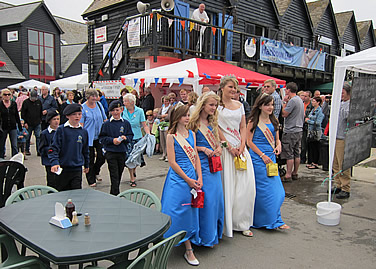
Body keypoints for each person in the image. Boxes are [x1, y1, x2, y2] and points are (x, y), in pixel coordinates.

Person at [161, 104, 202, 266]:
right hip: (179, 178)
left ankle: (188, 246)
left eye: (188, 115)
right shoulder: (171, 136)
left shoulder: (192, 133)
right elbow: (172, 162)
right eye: (184, 115)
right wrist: (188, 179)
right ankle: (169, 239)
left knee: (190, 210)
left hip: (192, 175)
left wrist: (199, 177)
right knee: (175, 208)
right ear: (177, 117)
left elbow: (196, 157)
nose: (187, 117)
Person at [217, 75, 256, 238]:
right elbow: (216, 127)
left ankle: (243, 222)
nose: (233, 90)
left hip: (240, 150)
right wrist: (228, 146)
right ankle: (228, 222)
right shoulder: (216, 106)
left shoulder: (240, 105)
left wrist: (242, 145)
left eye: (235, 87)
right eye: (230, 87)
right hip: (226, 151)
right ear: (222, 88)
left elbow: (242, 126)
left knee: (246, 186)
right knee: (228, 186)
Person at [247, 93, 290, 230]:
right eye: (267, 105)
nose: (271, 107)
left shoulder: (274, 120)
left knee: (278, 192)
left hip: (271, 158)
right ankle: (266, 220)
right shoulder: (253, 121)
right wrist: (262, 155)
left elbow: (277, 138)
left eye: (272, 104)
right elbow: (249, 142)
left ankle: (275, 219)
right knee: (262, 192)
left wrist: (278, 145)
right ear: (260, 106)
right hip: (258, 158)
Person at [187, 91, 224, 247]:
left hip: (214, 165)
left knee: (216, 200)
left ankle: (213, 234)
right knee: (206, 200)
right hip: (201, 165)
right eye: (211, 105)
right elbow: (188, 145)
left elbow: (220, 141)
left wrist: (219, 148)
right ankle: (203, 235)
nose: (214, 108)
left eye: (215, 105)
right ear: (202, 105)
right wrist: (202, 148)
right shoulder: (193, 124)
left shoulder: (213, 123)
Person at [49, 103, 90, 191]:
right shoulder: (61, 130)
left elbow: (85, 150)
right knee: (62, 193)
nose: (77, 117)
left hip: (77, 168)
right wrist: (54, 162)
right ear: (67, 116)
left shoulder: (83, 131)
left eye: (79, 114)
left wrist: (86, 164)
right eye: (74, 114)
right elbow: (54, 148)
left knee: (76, 193)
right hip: (63, 167)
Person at [99, 101, 134, 195]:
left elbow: (130, 135)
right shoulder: (106, 124)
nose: (115, 112)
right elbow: (102, 138)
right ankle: (115, 193)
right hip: (111, 152)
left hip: (122, 151)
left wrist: (125, 138)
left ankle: (114, 192)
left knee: (119, 173)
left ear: (121, 110)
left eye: (117, 110)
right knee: (114, 174)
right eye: (113, 110)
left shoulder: (125, 123)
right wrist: (112, 140)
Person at [122, 93, 150, 187]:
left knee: (136, 158)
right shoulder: (123, 111)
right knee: (130, 158)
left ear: (132, 102)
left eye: (125, 101)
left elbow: (144, 125)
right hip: (126, 138)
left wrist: (148, 135)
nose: (124, 103)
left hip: (137, 137)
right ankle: (132, 178)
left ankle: (133, 171)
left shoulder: (139, 111)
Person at [80, 89, 107, 187]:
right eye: (93, 96)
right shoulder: (83, 108)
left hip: (99, 135)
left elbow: (104, 118)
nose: (95, 98)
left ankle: (96, 170)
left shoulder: (99, 105)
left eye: (96, 96)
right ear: (88, 97)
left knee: (102, 156)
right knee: (89, 158)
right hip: (88, 136)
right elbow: (81, 124)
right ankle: (90, 179)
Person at [281, 82, 305, 181]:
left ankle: (288, 174)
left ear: (288, 90)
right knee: (296, 152)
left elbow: (284, 114)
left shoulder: (292, 101)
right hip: (299, 129)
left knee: (289, 153)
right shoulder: (299, 100)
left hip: (290, 130)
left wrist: (284, 103)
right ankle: (295, 173)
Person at [332, 82, 351, 199]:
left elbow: (348, 118)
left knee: (343, 164)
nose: (341, 95)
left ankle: (345, 187)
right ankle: (338, 184)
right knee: (335, 164)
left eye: (342, 93)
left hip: (343, 137)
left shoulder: (350, 105)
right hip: (335, 136)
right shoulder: (340, 103)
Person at [39, 110, 60, 189]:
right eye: (54, 119)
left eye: (58, 119)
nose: (56, 121)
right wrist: (51, 149)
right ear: (49, 121)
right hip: (49, 161)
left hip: (60, 160)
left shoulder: (61, 131)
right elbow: (41, 149)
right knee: (52, 181)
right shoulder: (45, 133)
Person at [0, 89, 22, 158]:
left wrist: (20, 125)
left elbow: (16, 115)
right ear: (2, 96)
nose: (7, 96)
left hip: (13, 126)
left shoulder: (13, 104)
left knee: (14, 145)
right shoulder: (0, 104)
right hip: (3, 127)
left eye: (8, 94)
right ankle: (1, 158)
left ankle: (15, 158)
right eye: (5, 94)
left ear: (11, 95)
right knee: (2, 144)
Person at [21, 90, 42, 156]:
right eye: (32, 98)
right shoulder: (26, 102)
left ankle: (39, 151)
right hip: (28, 123)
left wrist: (40, 119)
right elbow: (23, 113)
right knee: (28, 137)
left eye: (34, 98)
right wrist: (25, 122)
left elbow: (40, 111)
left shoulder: (39, 102)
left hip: (37, 122)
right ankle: (27, 150)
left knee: (38, 137)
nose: (33, 99)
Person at [306, 96, 324, 169]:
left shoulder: (320, 111)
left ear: (318, 102)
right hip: (310, 131)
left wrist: (308, 121)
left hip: (316, 131)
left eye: (314, 101)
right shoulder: (312, 110)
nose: (312, 103)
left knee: (316, 147)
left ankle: (315, 163)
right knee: (311, 147)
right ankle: (311, 161)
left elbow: (318, 122)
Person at [300, 91, 313, 164]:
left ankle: (304, 158)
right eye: (303, 96)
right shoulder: (301, 104)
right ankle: (302, 157)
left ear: (309, 97)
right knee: (302, 143)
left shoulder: (311, 106)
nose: (304, 98)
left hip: (308, 126)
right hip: (301, 125)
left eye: (306, 96)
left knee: (305, 143)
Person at [158, 95, 171, 161]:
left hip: (167, 126)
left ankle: (168, 155)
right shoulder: (161, 108)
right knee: (162, 141)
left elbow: (169, 117)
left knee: (167, 141)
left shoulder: (170, 108)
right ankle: (164, 153)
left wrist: (164, 117)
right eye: (164, 101)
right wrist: (163, 116)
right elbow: (158, 115)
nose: (165, 102)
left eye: (167, 101)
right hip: (161, 126)